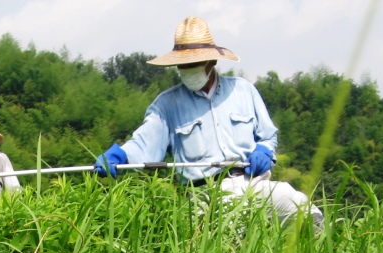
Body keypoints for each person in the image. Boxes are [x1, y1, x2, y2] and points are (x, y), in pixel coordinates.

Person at [94, 17, 322, 225]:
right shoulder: (167, 104)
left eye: (193, 65)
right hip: (204, 196)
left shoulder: (243, 91)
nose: (187, 71)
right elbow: (145, 143)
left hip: (252, 183)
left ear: (211, 61)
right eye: (182, 66)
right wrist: (119, 156)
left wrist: (263, 150)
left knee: (300, 206)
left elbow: (267, 136)